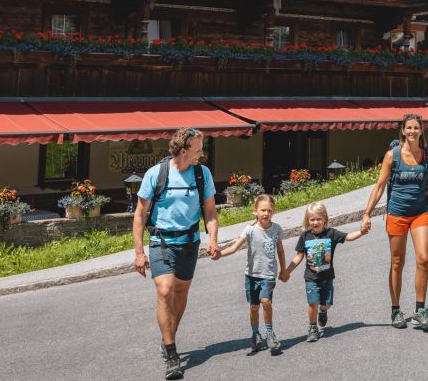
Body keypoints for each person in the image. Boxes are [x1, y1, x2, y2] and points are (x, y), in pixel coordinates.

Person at [132, 127, 220, 381]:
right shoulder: (156, 174)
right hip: (161, 241)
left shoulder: (202, 175)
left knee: (180, 292)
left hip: (189, 242)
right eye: (199, 148)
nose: (202, 153)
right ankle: (172, 354)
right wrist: (139, 253)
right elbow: (139, 215)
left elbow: (211, 212)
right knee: (165, 290)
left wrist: (213, 239)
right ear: (184, 151)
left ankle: (167, 335)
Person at [361, 113, 428, 331]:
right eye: (409, 128)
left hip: (420, 214)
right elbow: (379, 187)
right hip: (396, 214)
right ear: (403, 131)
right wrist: (367, 213)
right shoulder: (392, 156)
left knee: (423, 258)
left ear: (421, 130)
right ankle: (396, 310)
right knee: (397, 262)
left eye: (416, 128)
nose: (412, 131)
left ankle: (420, 310)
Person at [281, 202, 369, 342]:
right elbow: (299, 256)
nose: (315, 222)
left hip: (327, 278)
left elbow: (348, 237)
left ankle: (323, 311)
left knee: (326, 304)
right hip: (311, 278)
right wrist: (287, 271)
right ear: (307, 220)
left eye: (319, 219)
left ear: (325, 220)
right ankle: (312, 327)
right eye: (312, 219)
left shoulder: (331, 233)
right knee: (312, 303)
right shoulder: (305, 236)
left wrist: (361, 232)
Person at [218, 194, 284, 353]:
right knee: (254, 307)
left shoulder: (276, 229)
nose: (266, 213)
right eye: (262, 210)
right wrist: (219, 253)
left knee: (266, 301)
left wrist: (284, 270)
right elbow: (234, 247)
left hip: (268, 275)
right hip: (251, 275)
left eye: (269, 210)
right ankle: (255, 334)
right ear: (255, 211)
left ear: (273, 211)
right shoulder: (250, 230)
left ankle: (270, 333)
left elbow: (280, 251)